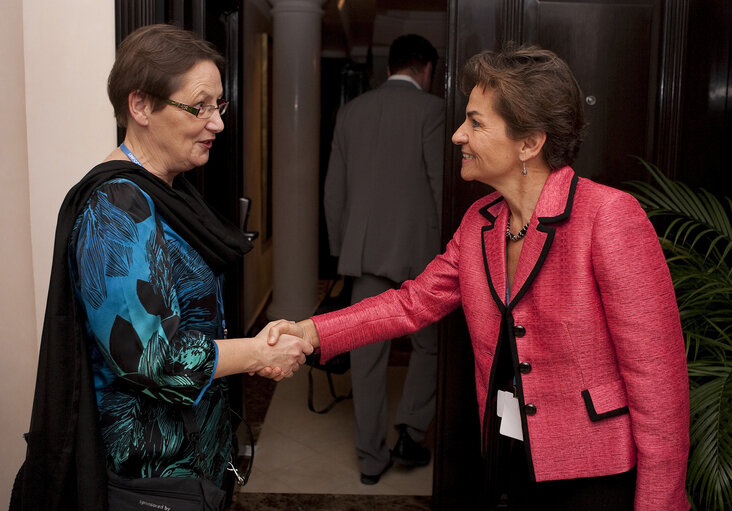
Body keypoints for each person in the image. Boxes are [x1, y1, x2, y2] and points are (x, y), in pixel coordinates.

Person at [271, 44, 690, 510]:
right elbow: (412, 303)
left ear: (529, 142)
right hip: (514, 455)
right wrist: (310, 330)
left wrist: (660, 501)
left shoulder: (608, 216)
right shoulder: (481, 221)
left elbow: (659, 381)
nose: (457, 136)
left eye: (475, 122)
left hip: (599, 469)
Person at [11, 24, 311, 510]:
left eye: (219, 105)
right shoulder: (115, 206)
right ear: (141, 106)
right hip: (148, 478)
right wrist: (257, 353)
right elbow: (153, 359)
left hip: (189, 465)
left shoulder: (163, 192)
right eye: (199, 106)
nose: (216, 122)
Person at [323, 33, 445, 484]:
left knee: (366, 357)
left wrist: (344, 251)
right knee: (430, 347)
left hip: (365, 256)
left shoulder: (351, 112)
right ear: (426, 69)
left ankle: (370, 460)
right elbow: (439, 186)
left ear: (389, 65)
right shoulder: (433, 112)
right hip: (424, 259)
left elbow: (333, 191)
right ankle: (411, 433)